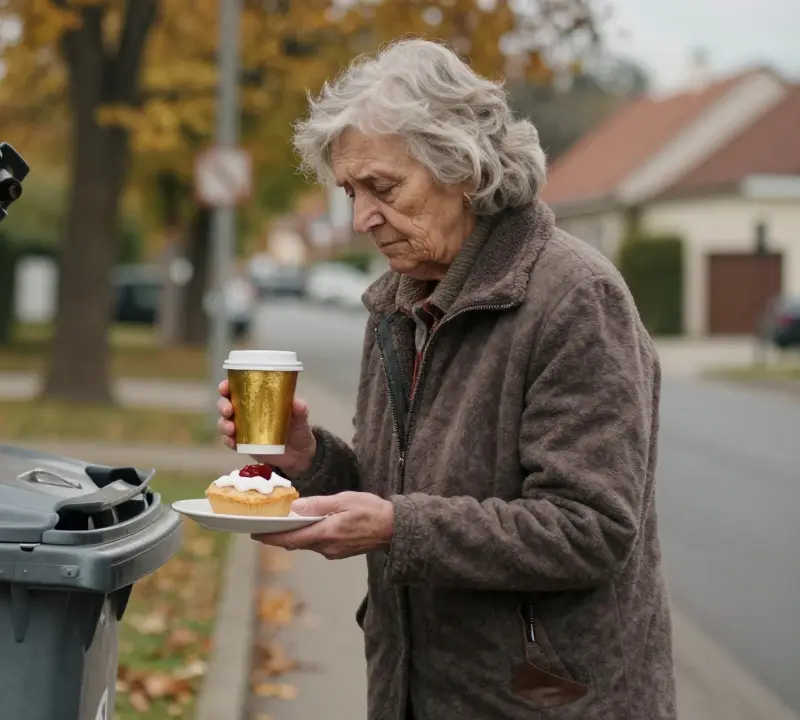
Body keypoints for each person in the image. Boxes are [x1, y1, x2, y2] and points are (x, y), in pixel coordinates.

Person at [216, 38, 675, 719]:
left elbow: (590, 528)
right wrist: (308, 462)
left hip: (547, 701)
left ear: (464, 167)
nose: (361, 217)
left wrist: (398, 529)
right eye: (349, 191)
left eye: (383, 187)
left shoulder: (575, 298)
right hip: (415, 690)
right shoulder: (396, 303)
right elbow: (394, 494)